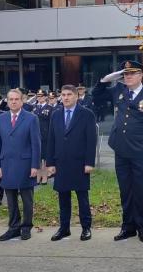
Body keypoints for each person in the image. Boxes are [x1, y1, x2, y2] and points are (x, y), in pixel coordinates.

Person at [92, 60, 143, 242]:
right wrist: (104, 80)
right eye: (125, 74)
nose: (128, 77)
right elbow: (96, 95)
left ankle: (142, 228)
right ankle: (128, 227)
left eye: (132, 73)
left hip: (142, 150)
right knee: (125, 190)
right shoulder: (119, 91)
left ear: (141, 75)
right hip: (121, 149)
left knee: (141, 191)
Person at [47, 85, 97, 242]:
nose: (66, 97)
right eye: (63, 94)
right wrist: (50, 162)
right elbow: (51, 139)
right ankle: (64, 228)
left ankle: (86, 228)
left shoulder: (86, 114)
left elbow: (91, 140)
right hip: (61, 162)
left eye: (69, 94)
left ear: (76, 96)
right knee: (63, 198)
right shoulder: (55, 115)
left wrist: (89, 162)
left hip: (80, 162)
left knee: (82, 197)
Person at [0, 89, 41, 241]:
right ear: (6, 101)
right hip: (6, 164)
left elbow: (36, 144)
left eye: (16, 99)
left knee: (27, 198)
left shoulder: (31, 118)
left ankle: (26, 227)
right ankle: (13, 227)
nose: (13, 102)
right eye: (10, 99)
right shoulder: (1, 118)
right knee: (11, 198)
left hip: (25, 164)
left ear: (22, 101)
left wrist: (35, 166)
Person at [33, 89, 55, 185]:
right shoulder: (34, 108)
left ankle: (45, 177)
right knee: (37, 157)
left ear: (46, 97)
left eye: (42, 96)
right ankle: (38, 177)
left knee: (45, 158)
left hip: (46, 135)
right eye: (38, 96)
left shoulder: (50, 108)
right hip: (35, 135)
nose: (40, 97)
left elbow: (52, 123)